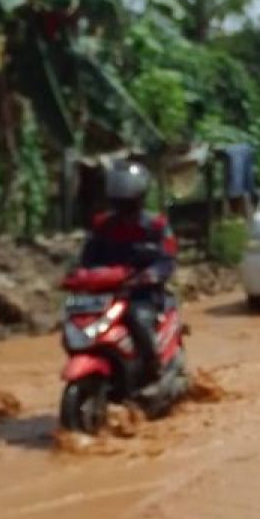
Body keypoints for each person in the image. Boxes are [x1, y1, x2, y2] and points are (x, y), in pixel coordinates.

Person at [78, 160, 177, 384]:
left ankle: (153, 366)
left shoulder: (157, 226)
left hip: (142, 295)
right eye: (120, 204)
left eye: (129, 204)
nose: (125, 211)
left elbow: (167, 261)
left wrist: (149, 276)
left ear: (140, 199)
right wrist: (78, 276)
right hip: (104, 294)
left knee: (138, 318)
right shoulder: (102, 226)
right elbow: (86, 259)